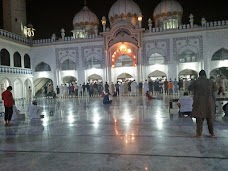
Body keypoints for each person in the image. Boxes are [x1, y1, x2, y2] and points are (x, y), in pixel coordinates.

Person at [188, 70, 216, 138]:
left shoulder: (196, 81)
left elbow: (189, 88)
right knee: (210, 118)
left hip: (199, 102)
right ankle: (212, 133)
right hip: (209, 102)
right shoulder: (210, 81)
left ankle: (199, 134)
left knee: (199, 119)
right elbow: (215, 89)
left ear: (199, 75)